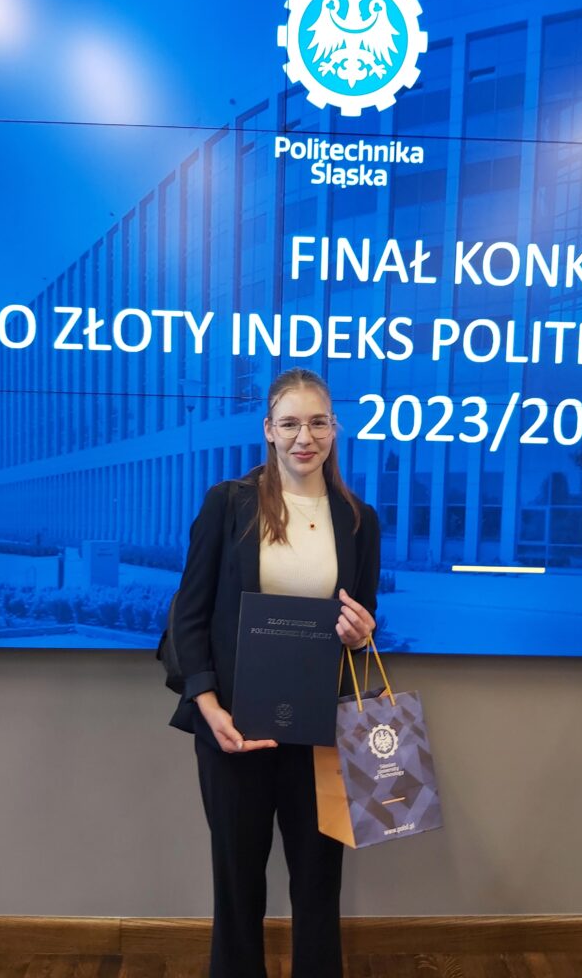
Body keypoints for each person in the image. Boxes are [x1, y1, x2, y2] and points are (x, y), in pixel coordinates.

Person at [170, 367, 380, 978]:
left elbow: (364, 623)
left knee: (319, 883)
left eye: (317, 423)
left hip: (320, 730)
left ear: (334, 429)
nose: (303, 437)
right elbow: (188, 615)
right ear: (268, 429)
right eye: (289, 424)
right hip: (235, 726)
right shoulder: (228, 503)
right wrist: (208, 705)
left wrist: (362, 633)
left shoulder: (358, 519)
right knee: (237, 887)